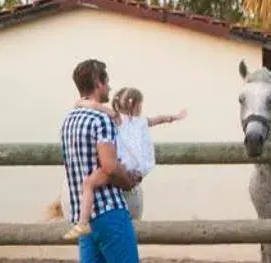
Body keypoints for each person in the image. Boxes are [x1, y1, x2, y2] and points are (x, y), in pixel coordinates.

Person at [61, 59, 144, 263]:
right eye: (106, 81)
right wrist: (129, 181)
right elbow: (109, 167)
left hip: (85, 215)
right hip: (109, 209)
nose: (109, 86)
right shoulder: (101, 122)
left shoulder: (69, 120)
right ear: (97, 82)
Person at [63, 87, 187, 236]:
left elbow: (93, 106)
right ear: (138, 106)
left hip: (119, 165)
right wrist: (176, 117)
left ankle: (82, 222)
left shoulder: (115, 118)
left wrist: (79, 103)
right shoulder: (141, 122)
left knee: (88, 184)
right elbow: (160, 118)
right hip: (135, 168)